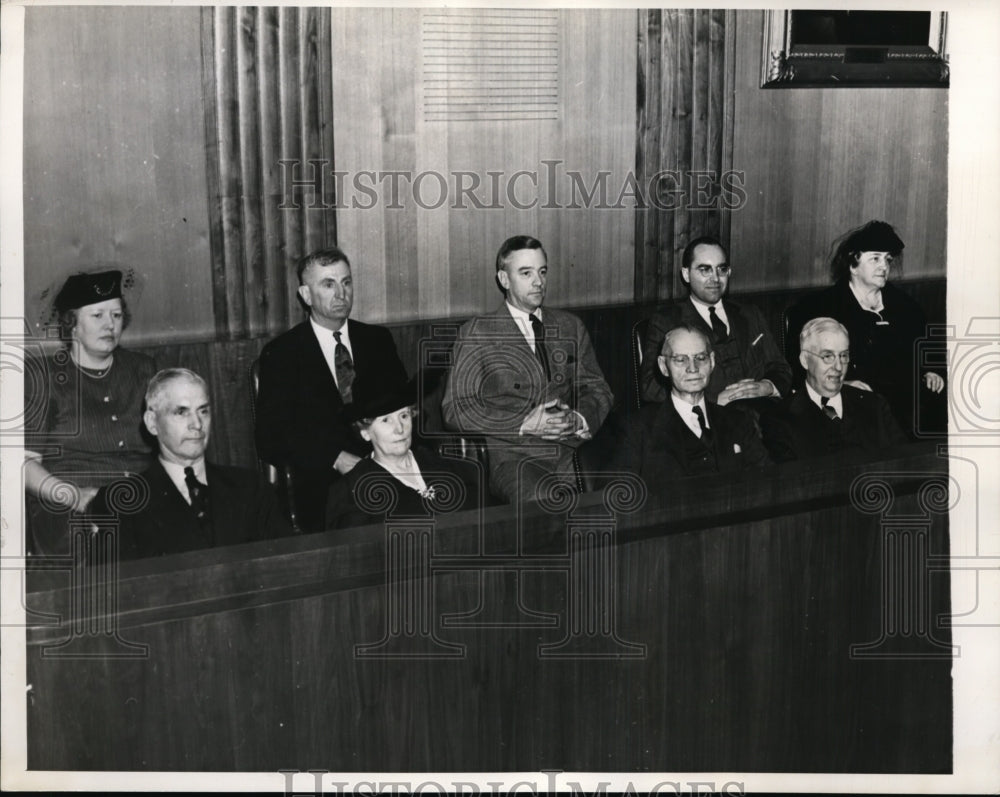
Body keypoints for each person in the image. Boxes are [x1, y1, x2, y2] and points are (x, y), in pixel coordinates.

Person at [441, 235, 613, 504]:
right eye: (526, 273)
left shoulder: (570, 326)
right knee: (543, 503)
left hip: (576, 450)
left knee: (622, 488)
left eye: (542, 272)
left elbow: (597, 388)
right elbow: (455, 409)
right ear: (504, 279)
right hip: (514, 456)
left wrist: (579, 418)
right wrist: (524, 423)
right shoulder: (478, 332)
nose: (538, 282)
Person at [254, 246, 408, 532]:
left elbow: (404, 407)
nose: (341, 294)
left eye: (346, 282)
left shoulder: (377, 340)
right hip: (323, 480)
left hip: (389, 464)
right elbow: (270, 436)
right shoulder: (282, 353)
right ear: (306, 295)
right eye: (328, 284)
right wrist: (334, 458)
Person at [24, 269, 156, 556]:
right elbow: (24, 467)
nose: (110, 325)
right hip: (69, 503)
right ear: (72, 323)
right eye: (98, 316)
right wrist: (77, 497)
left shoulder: (143, 369)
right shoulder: (43, 377)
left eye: (117, 316)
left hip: (141, 497)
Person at [98, 369, 290, 559]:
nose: (197, 424)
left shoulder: (250, 487)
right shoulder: (123, 503)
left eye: (203, 411)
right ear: (152, 423)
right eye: (181, 412)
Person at [785, 220, 946, 437]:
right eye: (875, 259)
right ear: (853, 264)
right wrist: (840, 382)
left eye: (888, 260)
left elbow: (928, 348)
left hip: (910, 400)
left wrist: (931, 371)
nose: (884, 266)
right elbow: (800, 365)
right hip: (858, 400)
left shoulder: (905, 305)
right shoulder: (819, 307)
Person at [640, 236, 791, 408]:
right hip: (706, 422)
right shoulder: (667, 321)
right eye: (705, 270)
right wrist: (710, 402)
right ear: (686, 274)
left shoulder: (750, 314)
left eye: (721, 269)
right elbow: (650, 387)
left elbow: (781, 368)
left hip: (763, 415)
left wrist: (767, 387)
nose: (716, 278)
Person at [613, 325, 770, 481]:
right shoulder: (637, 429)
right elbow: (615, 494)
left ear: (712, 362)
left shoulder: (739, 421)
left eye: (701, 358)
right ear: (663, 367)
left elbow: (768, 484)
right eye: (680, 360)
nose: (693, 368)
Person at [325, 380, 483, 529]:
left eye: (404, 416)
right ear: (365, 432)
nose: (399, 429)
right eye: (386, 420)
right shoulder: (350, 494)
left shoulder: (457, 470)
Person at [762, 318, 908, 462]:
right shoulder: (779, 420)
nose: (838, 367)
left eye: (843, 355)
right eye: (827, 356)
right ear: (805, 360)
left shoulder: (875, 405)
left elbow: (904, 465)